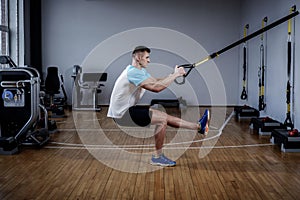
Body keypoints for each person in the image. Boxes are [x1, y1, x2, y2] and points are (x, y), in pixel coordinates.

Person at [107, 46, 210, 167]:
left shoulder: (139, 71)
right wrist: (175, 75)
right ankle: (158, 157)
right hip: (122, 115)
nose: (149, 60)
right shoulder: (133, 72)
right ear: (138, 57)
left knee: (163, 117)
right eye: (147, 57)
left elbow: (156, 81)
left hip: (127, 110)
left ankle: (199, 127)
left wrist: (173, 74)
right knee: (162, 121)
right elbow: (157, 88)